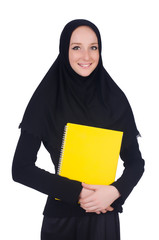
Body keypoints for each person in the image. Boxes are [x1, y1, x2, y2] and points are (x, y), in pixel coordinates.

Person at [12, 19, 145, 240]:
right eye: (76, 47)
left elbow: (135, 163)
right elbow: (21, 168)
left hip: (103, 217)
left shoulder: (114, 99)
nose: (86, 56)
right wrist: (79, 194)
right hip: (61, 220)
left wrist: (114, 192)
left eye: (93, 47)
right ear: (65, 51)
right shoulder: (47, 98)